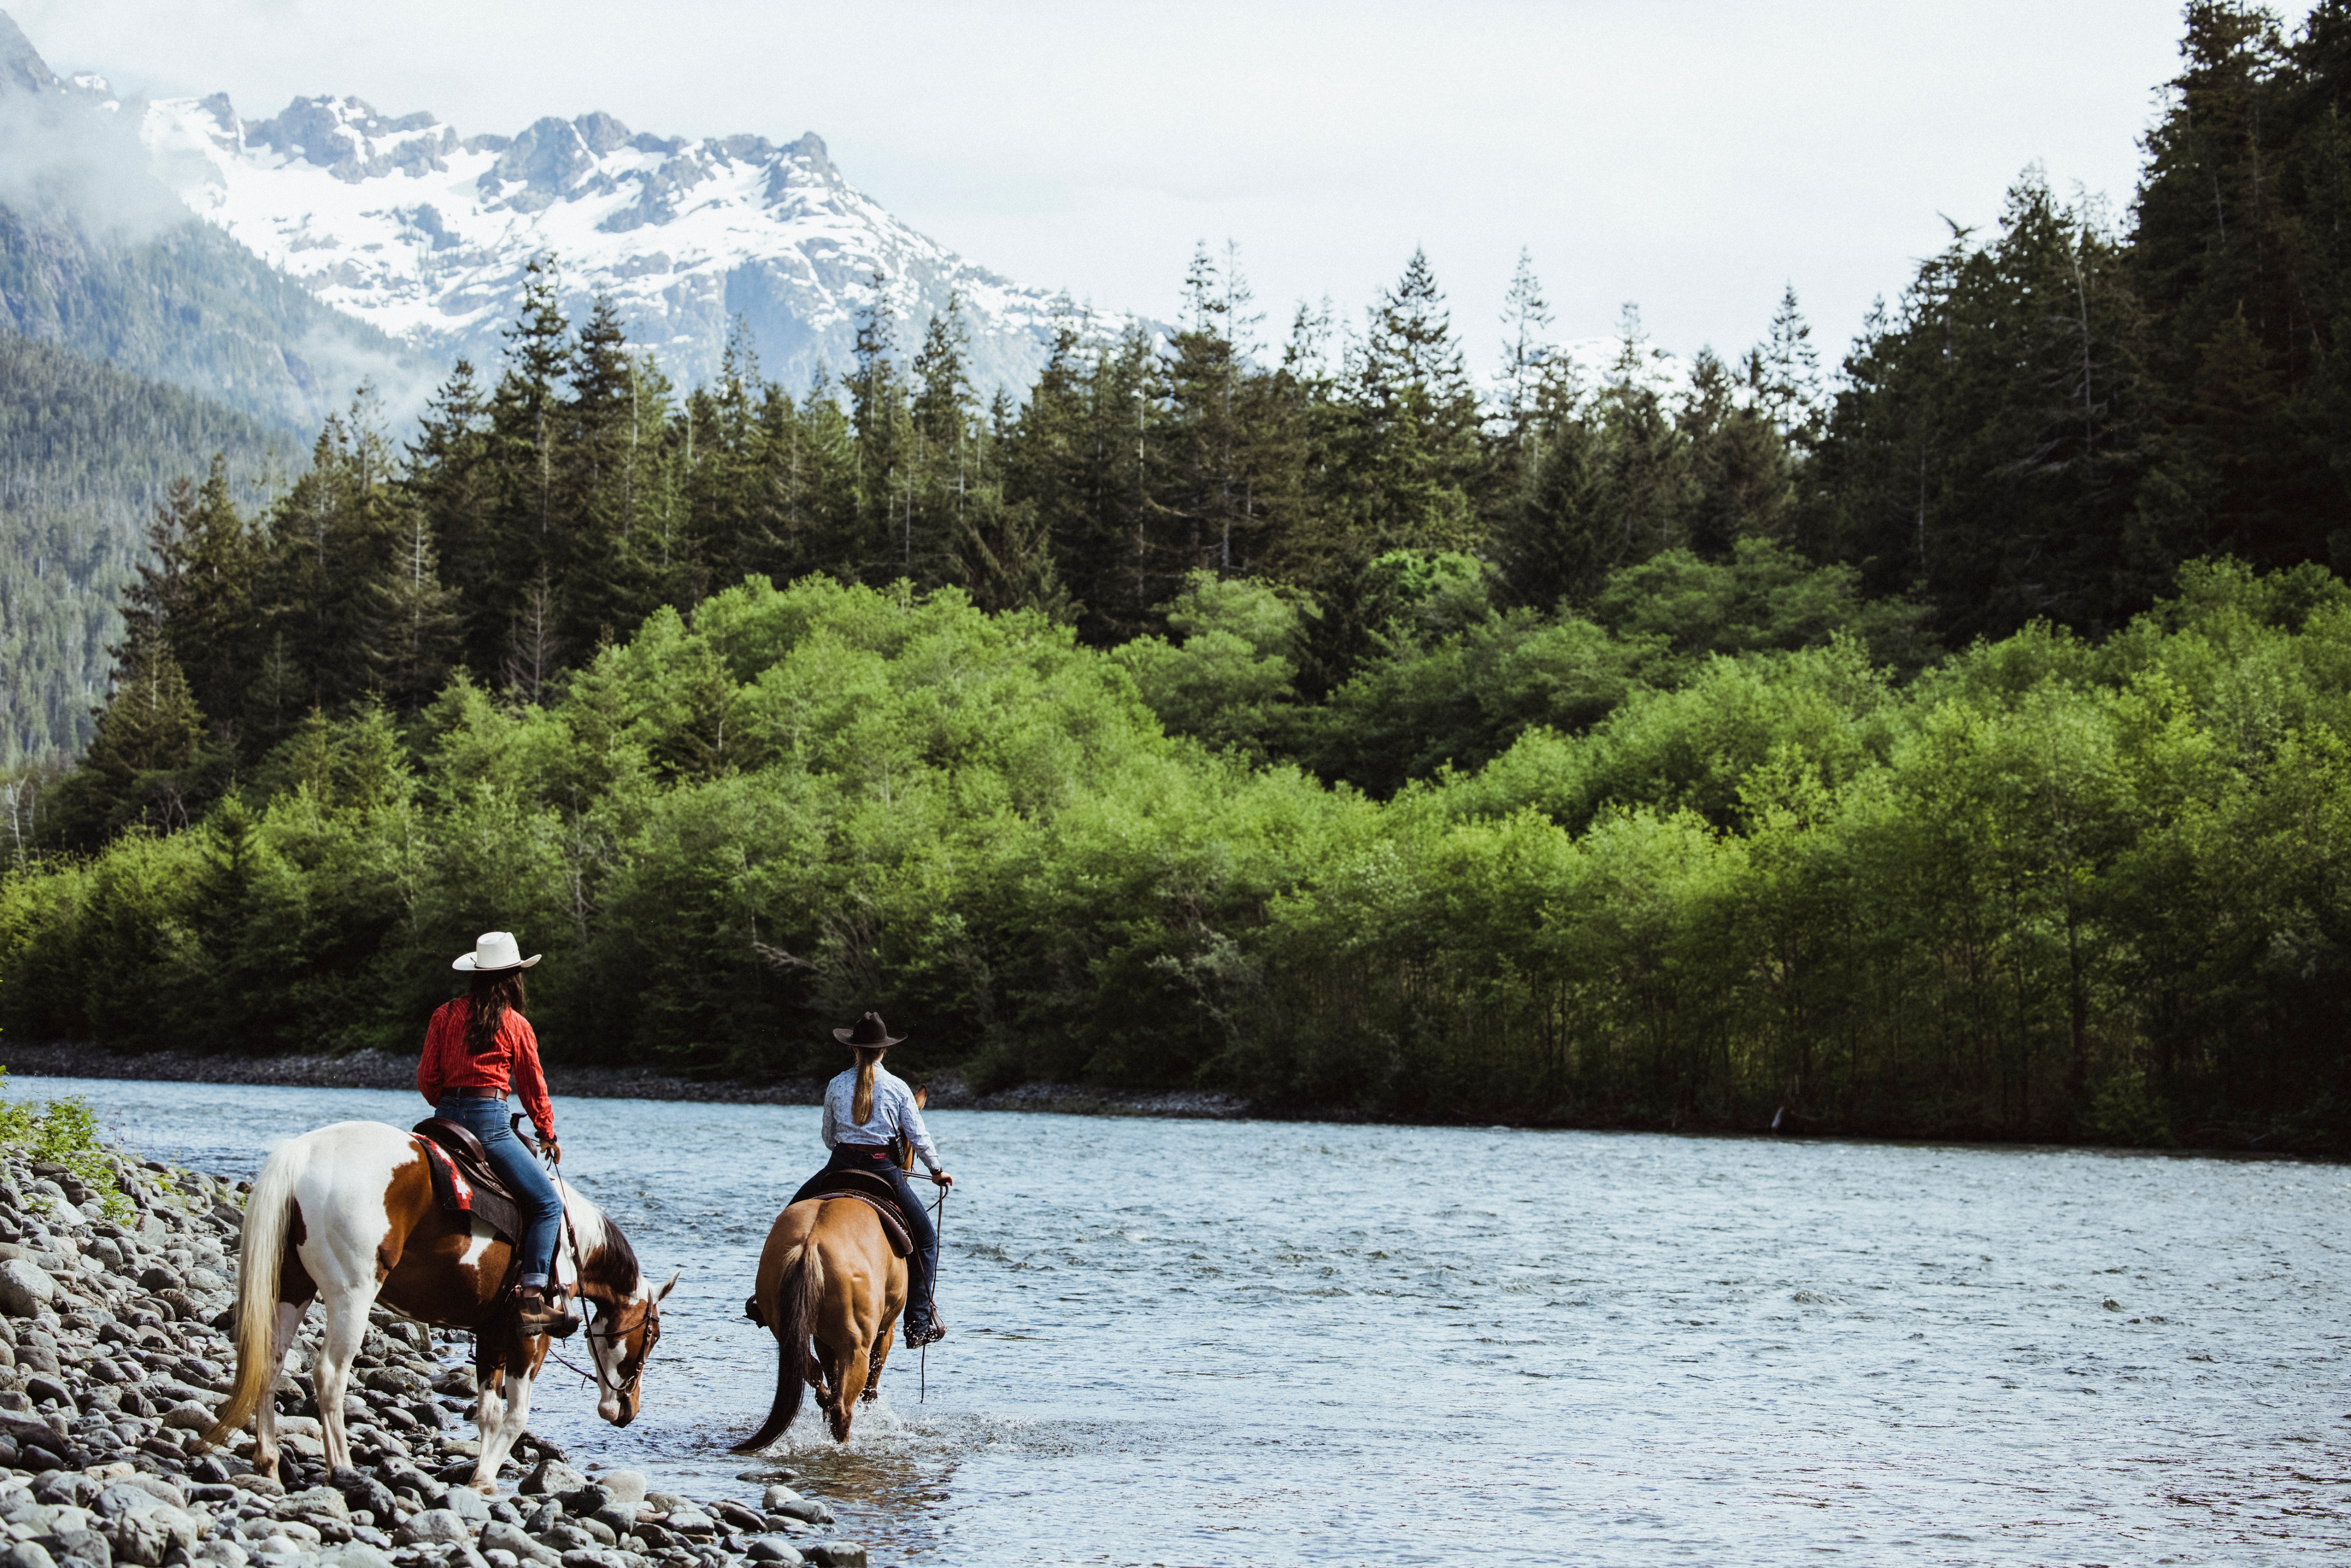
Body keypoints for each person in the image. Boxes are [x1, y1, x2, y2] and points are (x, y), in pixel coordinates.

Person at [416, 930, 580, 1338]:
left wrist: (447, 1101)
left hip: (444, 1119)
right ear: (513, 979)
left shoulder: (444, 1014)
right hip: (489, 1121)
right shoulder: (515, 1024)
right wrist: (547, 1131)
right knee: (546, 1204)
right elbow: (531, 1083)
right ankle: (532, 1297)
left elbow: (427, 1079)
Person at [789, 1011, 953, 1346]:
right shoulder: (898, 1087)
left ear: (854, 1050)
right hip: (884, 1171)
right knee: (926, 1240)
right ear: (883, 1051)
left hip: (840, 1165)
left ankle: (768, 1301)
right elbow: (918, 1136)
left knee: (788, 1219)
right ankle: (919, 1322)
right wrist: (936, 1171)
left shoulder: (836, 1084)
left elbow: (829, 1136)